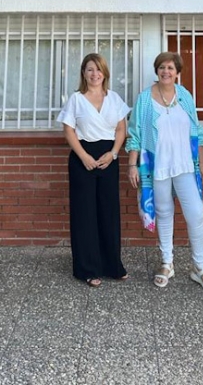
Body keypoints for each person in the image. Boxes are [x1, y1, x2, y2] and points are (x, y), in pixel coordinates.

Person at [126, 52, 203, 293]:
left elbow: (197, 132)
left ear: (177, 72)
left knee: (196, 213)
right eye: (162, 67)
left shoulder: (184, 96)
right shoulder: (145, 99)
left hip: (185, 164)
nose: (166, 71)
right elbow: (135, 133)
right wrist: (132, 165)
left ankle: (200, 267)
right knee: (164, 212)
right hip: (157, 166)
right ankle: (167, 263)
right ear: (156, 70)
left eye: (170, 68)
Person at [57, 53, 129, 287]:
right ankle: (88, 268)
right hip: (83, 158)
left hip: (109, 158)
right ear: (83, 73)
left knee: (108, 212)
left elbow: (121, 129)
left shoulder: (114, 98)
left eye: (98, 69)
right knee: (85, 214)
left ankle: (112, 266)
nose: (94, 74)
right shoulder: (76, 99)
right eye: (90, 69)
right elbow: (69, 130)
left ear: (105, 73)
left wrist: (114, 153)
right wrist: (83, 156)